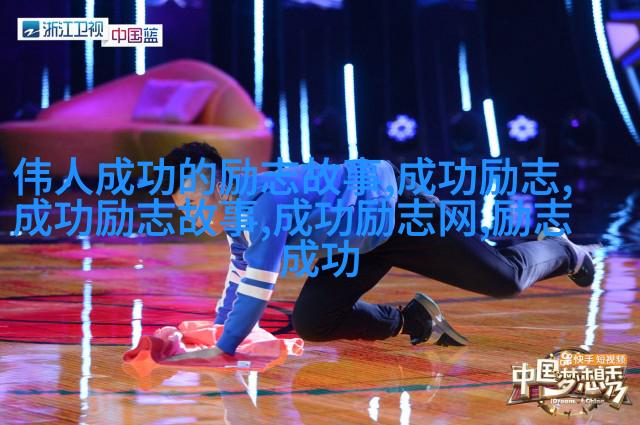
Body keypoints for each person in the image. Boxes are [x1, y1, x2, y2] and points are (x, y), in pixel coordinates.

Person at [164, 142, 599, 361]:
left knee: (505, 280)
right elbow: (238, 275)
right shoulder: (236, 218)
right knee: (313, 322)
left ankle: (563, 250)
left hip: (399, 212)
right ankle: (414, 320)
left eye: (192, 200)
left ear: (215, 183)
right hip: (355, 243)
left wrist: (224, 348)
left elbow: (257, 288)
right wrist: (217, 328)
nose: (190, 214)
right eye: (183, 207)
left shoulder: (262, 206)